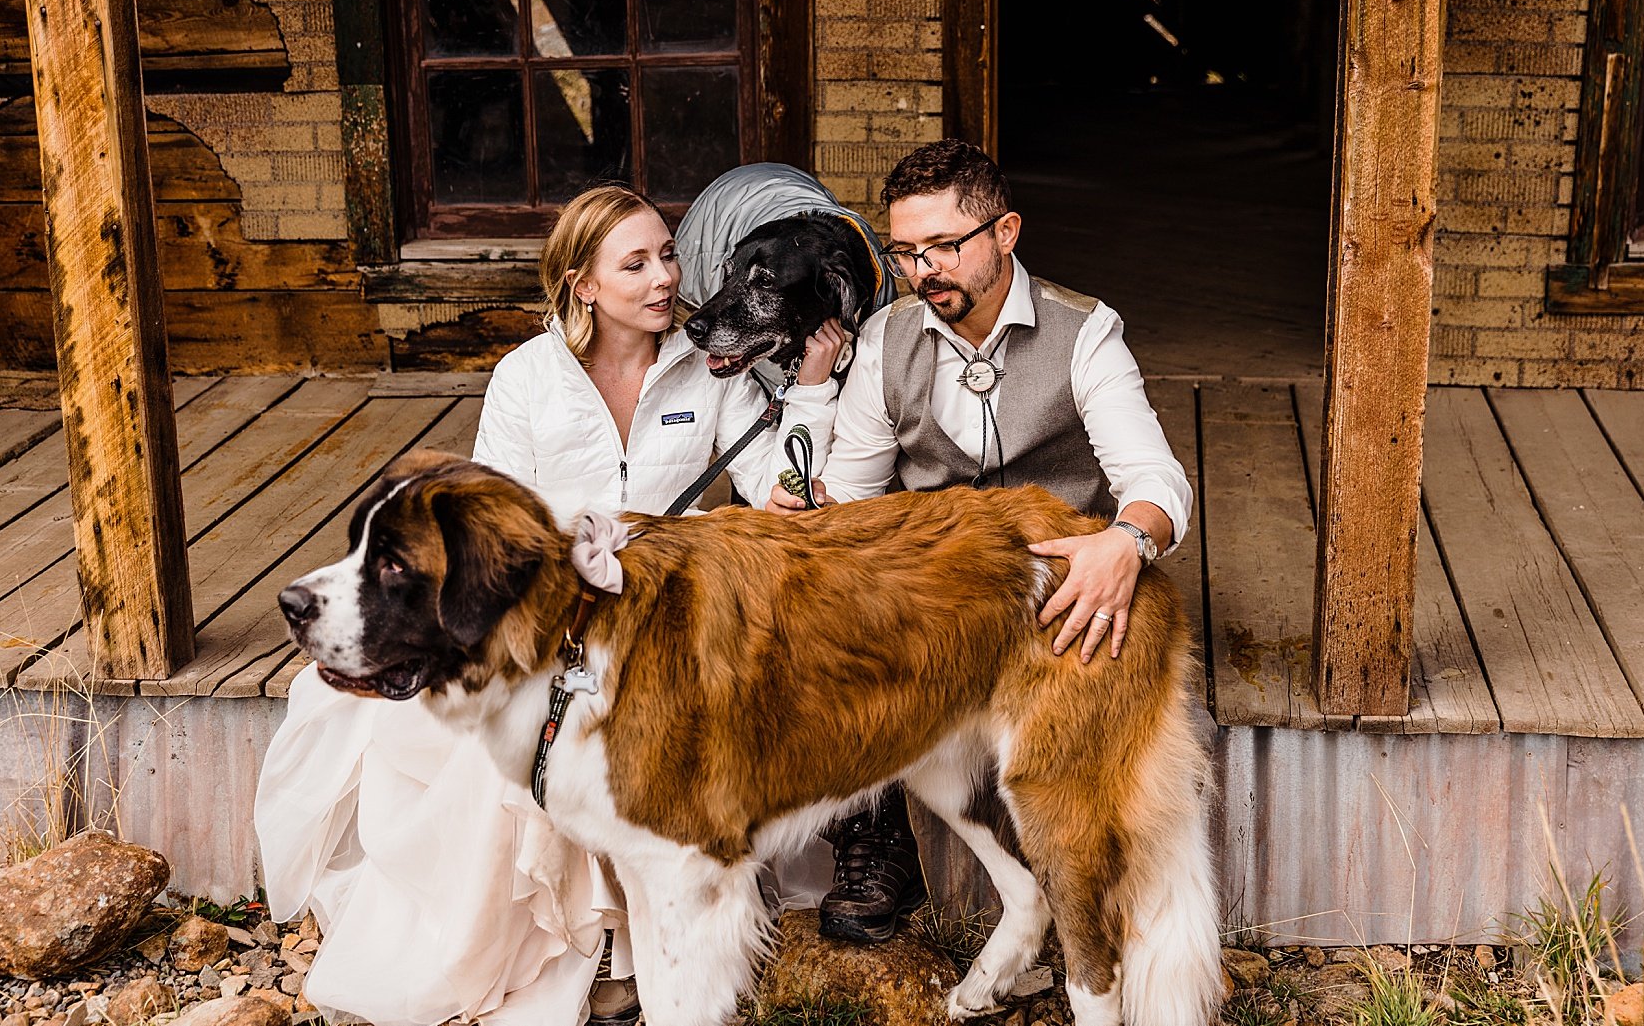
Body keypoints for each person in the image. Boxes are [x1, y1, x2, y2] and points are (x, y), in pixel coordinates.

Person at [257, 184, 843, 1026]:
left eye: (669, 255)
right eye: (635, 263)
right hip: (545, 609)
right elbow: (490, 516)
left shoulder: (707, 361)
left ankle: (641, 953)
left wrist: (812, 399)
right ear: (583, 285)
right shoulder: (526, 377)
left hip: (661, 612)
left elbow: (772, 484)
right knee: (520, 735)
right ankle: (565, 955)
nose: (664, 279)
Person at [766, 139, 1194, 945]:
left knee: (1103, 749)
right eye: (905, 253)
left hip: (1058, 592)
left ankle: (1111, 911)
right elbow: (854, 499)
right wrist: (810, 509)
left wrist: (1127, 542)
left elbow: (1158, 478)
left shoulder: (1085, 332)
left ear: (1006, 232)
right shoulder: (888, 341)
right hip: (940, 597)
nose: (924, 269)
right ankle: (870, 833)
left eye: (944, 247)